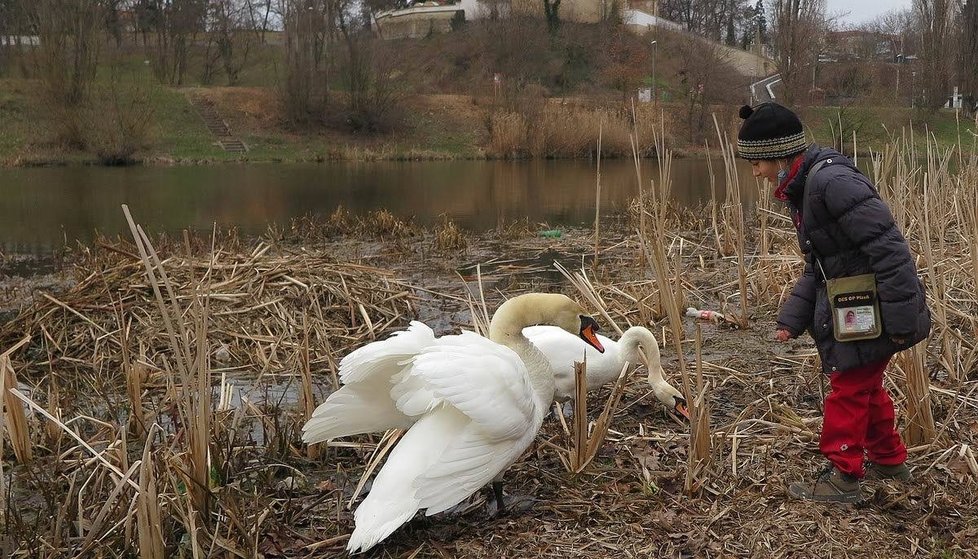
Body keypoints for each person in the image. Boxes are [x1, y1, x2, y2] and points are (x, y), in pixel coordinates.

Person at [737, 102, 931, 503]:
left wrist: (898, 319)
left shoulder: (832, 183)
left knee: (848, 386)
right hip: (858, 307)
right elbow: (821, 265)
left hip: (876, 308)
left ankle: (843, 477)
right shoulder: (804, 186)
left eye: (757, 162)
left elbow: (890, 250)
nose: (754, 171)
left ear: (779, 153)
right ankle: (891, 461)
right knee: (866, 385)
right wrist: (793, 318)